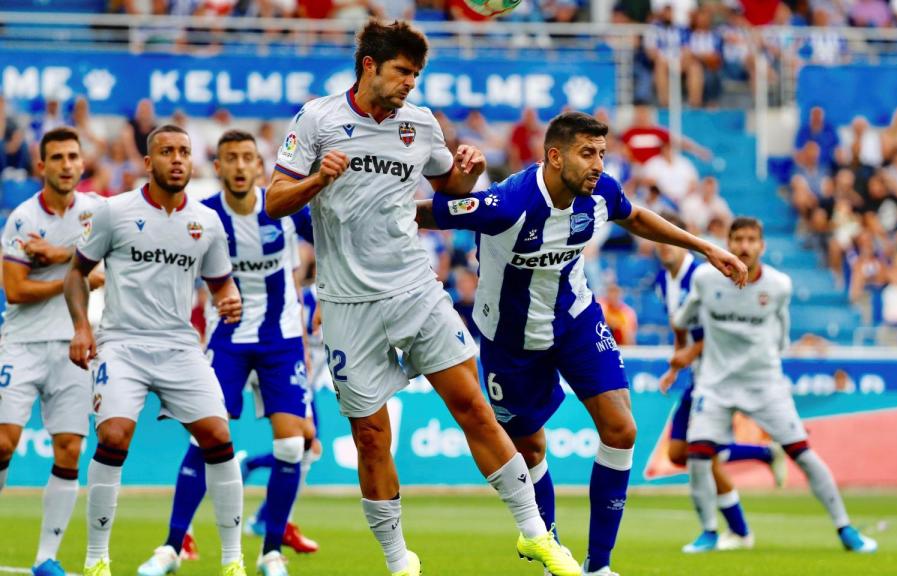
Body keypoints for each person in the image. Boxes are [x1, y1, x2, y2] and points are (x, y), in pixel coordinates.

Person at [264, 21, 580, 576]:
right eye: (402, 72)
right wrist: (316, 181)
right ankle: (398, 560)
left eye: (416, 73)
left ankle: (537, 534)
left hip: (415, 289)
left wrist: (465, 175)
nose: (411, 83)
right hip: (345, 302)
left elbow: (448, 196)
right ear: (369, 66)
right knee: (370, 436)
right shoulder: (318, 120)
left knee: (473, 408)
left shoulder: (421, 124)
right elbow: (274, 202)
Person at [416, 111, 748, 575]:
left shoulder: (600, 193)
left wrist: (705, 247)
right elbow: (428, 212)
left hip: (575, 320)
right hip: (510, 341)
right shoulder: (508, 203)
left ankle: (598, 566)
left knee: (622, 428)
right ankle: (551, 556)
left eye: (602, 154)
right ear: (555, 156)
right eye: (587, 154)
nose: (598, 164)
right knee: (529, 450)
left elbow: (636, 217)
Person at [64, 125, 247, 576]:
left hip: (180, 346)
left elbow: (221, 283)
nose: (178, 159)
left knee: (219, 438)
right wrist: (82, 327)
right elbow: (76, 274)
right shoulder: (114, 212)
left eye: (184, 151)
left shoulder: (207, 222)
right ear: (149, 163)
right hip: (122, 344)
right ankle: (96, 560)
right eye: (167, 152)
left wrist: (230, 298)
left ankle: (232, 562)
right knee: (113, 437)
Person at [136, 130, 316, 576]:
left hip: (282, 339)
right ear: (217, 167)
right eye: (230, 158)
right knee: (205, 437)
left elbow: (337, 244)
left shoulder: (287, 210)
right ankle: (172, 547)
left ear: (260, 166)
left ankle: (271, 551)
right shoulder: (203, 217)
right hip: (228, 341)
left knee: (294, 444)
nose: (239, 166)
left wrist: (327, 299)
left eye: (247, 158)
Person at [673, 217, 878, 554]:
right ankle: (709, 531)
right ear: (728, 243)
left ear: (762, 246)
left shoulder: (779, 285)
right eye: (737, 239)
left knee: (804, 455)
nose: (744, 246)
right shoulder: (706, 279)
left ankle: (845, 528)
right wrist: (683, 353)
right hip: (715, 382)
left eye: (751, 240)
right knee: (697, 456)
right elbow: (682, 318)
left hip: (764, 382)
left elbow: (781, 334)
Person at [0, 128, 105, 576]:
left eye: (73, 156)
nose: (66, 164)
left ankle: (46, 558)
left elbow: (110, 265)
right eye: (57, 157)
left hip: (73, 345)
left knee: (68, 449)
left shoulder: (99, 212)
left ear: (82, 164)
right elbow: (16, 290)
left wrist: (61, 256)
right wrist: (75, 276)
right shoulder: (23, 218)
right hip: (21, 344)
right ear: (41, 166)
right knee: (3, 442)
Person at [654, 215, 785, 553]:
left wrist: (689, 353)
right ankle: (762, 455)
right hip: (697, 376)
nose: (664, 247)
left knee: (703, 455)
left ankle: (732, 531)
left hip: (716, 378)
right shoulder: (662, 280)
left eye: (669, 240)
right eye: (658, 240)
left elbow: (722, 331)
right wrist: (677, 362)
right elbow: (679, 326)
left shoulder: (698, 278)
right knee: (680, 453)